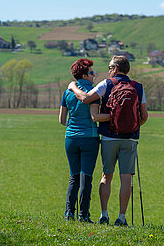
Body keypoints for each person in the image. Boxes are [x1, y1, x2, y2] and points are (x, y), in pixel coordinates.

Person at [68, 55, 148, 226]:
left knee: (106, 176)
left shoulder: (107, 83)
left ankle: (104, 215)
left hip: (109, 137)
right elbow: (144, 116)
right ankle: (122, 218)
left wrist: (73, 86)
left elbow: (85, 98)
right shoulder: (138, 87)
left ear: (116, 68)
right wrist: (132, 126)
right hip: (130, 139)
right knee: (126, 178)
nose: (109, 70)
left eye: (110, 67)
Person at [59, 58, 110, 223]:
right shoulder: (93, 92)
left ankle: (69, 214)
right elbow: (94, 115)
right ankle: (84, 215)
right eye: (91, 72)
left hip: (71, 138)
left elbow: (61, 119)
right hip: (89, 138)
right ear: (84, 75)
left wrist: (74, 126)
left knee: (73, 176)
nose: (94, 75)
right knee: (86, 176)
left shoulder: (68, 92)